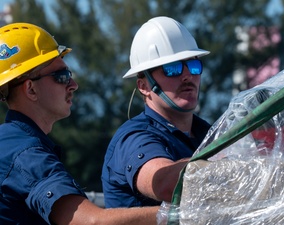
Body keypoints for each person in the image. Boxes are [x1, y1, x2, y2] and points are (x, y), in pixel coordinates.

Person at [0, 22, 158, 225]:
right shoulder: (25, 154)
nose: (73, 85)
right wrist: (177, 216)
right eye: (62, 76)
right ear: (30, 89)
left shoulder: (9, 144)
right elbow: (91, 222)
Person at [101, 16, 211, 208]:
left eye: (194, 66)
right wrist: (229, 166)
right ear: (143, 86)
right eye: (172, 68)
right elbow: (165, 184)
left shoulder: (208, 133)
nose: (187, 76)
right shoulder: (135, 138)